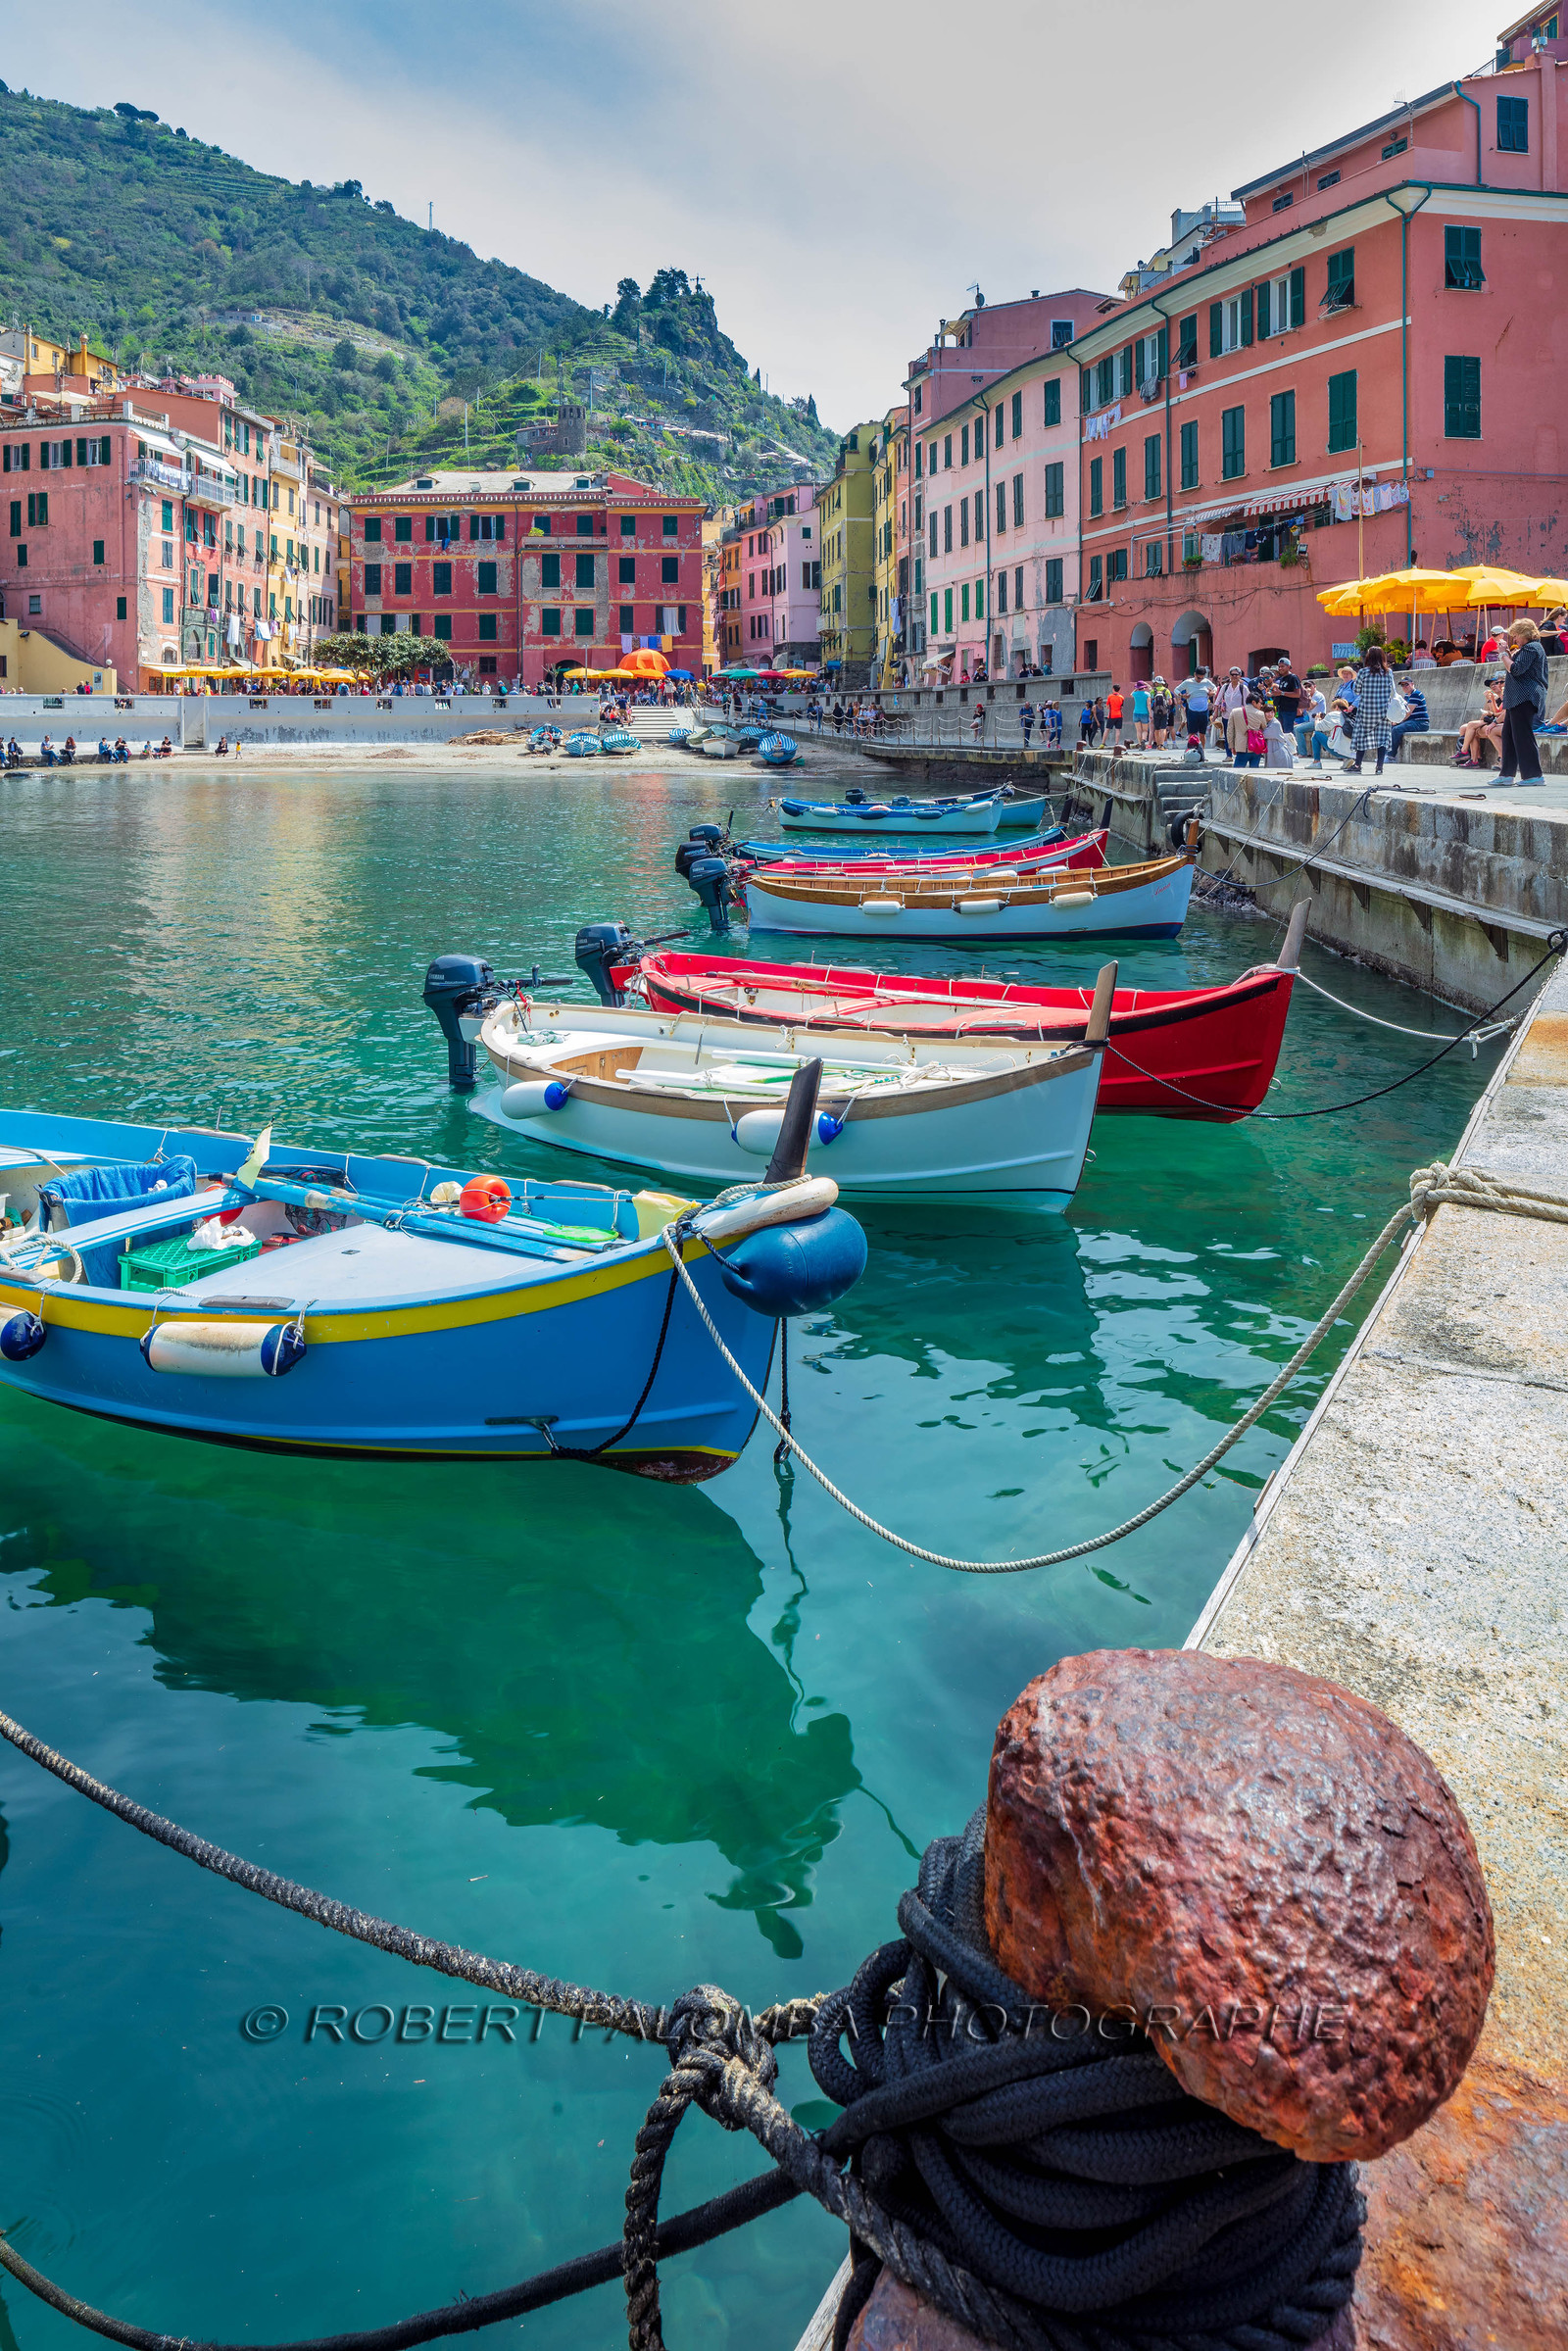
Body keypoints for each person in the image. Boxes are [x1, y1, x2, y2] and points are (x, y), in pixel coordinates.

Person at [1498, 615, 1547, 784]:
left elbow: (1516, 670)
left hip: (1525, 697)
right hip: (1517, 698)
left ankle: (1534, 775)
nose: (1515, 639)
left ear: (1524, 633)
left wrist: (1503, 654)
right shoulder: (1529, 648)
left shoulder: (1532, 648)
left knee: (1523, 736)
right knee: (1509, 735)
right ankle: (1506, 775)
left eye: (1516, 635)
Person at [1343, 647, 1393, 776]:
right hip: (1383, 711)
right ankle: (1379, 767)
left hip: (1366, 711)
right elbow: (1390, 690)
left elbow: (1357, 691)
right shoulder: (1389, 673)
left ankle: (1358, 765)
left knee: (1361, 738)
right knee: (1382, 739)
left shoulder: (1363, 673)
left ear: (1368, 658)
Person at [1455, 677, 1506, 768]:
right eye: (1492, 685)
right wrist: (1490, 700)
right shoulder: (1495, 697)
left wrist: (1491, 717)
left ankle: (1469, 755)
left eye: (1499, 683)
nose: (1495, 686)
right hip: (1493, 721)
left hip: (1500, 722)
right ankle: (1473, 758)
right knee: (1468, 728)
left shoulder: (1507, 695)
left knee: (1472, 727)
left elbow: (1500, 714)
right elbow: (1487, 714)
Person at [1388, 680, 1429, 760]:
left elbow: (1408, 712)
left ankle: (1391, 757)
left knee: (1396, 729)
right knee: (1390, 728)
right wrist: (1394, 721)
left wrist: (1397, 721)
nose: (1404, 687)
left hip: (1420, 722)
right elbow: (1401, 711)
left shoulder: (1416, 694)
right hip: (1411, 721)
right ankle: (1386, 754)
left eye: (1406, 684)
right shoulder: (1407, 696)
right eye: (1402, 685)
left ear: (1412, 684)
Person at [1181, 670, 1211, 752]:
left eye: (1202, 678)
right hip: (1192, 710)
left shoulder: (1206, 682)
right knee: (1191, 733)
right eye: (1198, 678)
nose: (1200, 680)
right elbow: (1177, 690)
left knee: (1202, 734)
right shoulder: (1188, 682)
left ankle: (1202, 752)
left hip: (1204, 711)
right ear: (1195, 674)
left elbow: (1214, 688)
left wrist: (1212, 692)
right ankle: (1190, 751)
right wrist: (1183, 696)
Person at [1272, 657, 1302, 737]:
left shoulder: (1293, 678)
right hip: (1281, 709)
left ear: (1288, 667)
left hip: (1289, 710)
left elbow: (1297, 694)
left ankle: (1292, 749)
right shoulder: (1282, 679)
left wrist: (1281, 693)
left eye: (1282, 666)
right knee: (1282, 732)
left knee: (1288, 734)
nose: (1280, 668)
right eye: (1279, 666)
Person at [1130, 681, 1151, 747]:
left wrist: (1136, 689)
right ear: (1143, 687)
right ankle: (1143, 740)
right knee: (1145, 730)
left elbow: (1131, 694)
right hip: (1144, 713)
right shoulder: (1147, 694)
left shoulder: (1135, 694)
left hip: (1136, 713)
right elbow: (1148, 705)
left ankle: (1139, 743)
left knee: (1138, 730)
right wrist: (1150, 714)